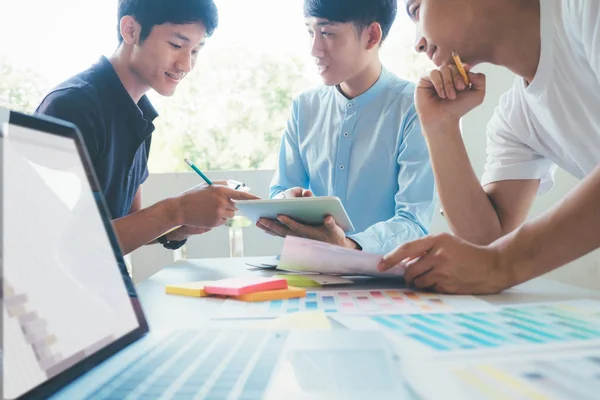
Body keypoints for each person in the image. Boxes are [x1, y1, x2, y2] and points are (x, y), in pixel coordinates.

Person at [379, 0, 600, 294]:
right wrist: (439, 125)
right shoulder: (514, 119)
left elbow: (494, 260)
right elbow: (484, 246)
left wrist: (501, 263)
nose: (418, 43)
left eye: (416, 9)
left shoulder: (583, 8)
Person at [36, 0, 257, 255]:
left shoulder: (138, 112)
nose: (185, 65)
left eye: (195, 51)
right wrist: (177, 210)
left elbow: (125, 225)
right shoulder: (71, 107)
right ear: (130, 30)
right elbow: (59, 244)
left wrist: (180, 225)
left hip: (102, 289)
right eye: (176, 45)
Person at [257, 0, 435, 254]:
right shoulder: (304, 107)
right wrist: (287, 201)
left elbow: (414, 221)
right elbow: (280, 189)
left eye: (327, 33)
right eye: (310, 32)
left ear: (371, 36)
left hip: (384, 279)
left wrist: (348, 245)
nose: (314, 49)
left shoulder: (415, 108)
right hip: (310, 271)